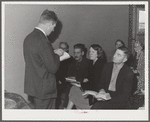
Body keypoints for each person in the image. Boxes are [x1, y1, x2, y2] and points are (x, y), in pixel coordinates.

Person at [23, 9, 64, 109]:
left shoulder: (28, 37)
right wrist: (57, 55)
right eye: (53, 27)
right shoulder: (43, 41)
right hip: (44, 90)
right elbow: (53, 67)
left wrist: (51, 53)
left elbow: (37, 60)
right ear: (49, 24)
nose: (53, 30)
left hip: (33, 87)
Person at [66, 44, 107, 109]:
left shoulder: (100, 65)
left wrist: (80, 85)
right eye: (90, 51)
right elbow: (88, 78)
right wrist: (79, 81)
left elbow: (96, 82)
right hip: (89, 87)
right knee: (73, 89)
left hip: (96, 90)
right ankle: (70, 110)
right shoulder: (91, 62)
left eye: (93, 52)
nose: (90, 53)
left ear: (98, 53)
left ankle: (69, 110)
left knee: (74, 89)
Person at [63, 43, 90, 108]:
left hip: (83, 87)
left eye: (78, 53)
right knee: (69, 88)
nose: (75, 55)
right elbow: (68, 76)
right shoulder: (72, 63)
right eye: (74, 53)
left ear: (82, 53)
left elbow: (87, 79)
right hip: (72, 85)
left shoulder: (88, 63)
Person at [55, 42, 73, 108]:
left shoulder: (70, 59)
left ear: (67, 49)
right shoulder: (55, 58)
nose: (62, 50)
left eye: (64, 48)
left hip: (65, 81)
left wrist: (61, 80)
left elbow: (69, 73)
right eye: (60, 48)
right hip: (56, 80)